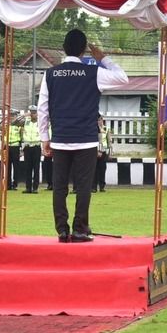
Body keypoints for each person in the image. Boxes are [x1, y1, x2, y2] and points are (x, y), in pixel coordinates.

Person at [38, 29, 128, 243]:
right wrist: (102, 58)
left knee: (59, 186)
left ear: (63, 48)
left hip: (60, 138)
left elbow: (42, 107)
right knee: (84, 186)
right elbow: (123, 78)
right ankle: (80, 229)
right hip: (86, 138)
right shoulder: (93, 72)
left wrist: (44, 137)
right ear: (83, 50)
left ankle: (61, 230)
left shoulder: (51, 74)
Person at [21, 105, 41, 194]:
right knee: (27, 168)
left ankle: (35, 188)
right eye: (31, 112)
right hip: (27, 147)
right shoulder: (26, 122)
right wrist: (24, 115)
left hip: (36, 146)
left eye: (34, 112)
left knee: (36, 168)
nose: (33, 114)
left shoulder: (41, 122)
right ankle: (28, 188)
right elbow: (14, 122)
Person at [6, 110, 23, 191]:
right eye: (10, 115)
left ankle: (15, 184)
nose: (12, 117)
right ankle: (8, 184)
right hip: (8, 146)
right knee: (8, 166)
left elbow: (22, 138)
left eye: (13, 115)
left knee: (16, 167)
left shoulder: (19, 126)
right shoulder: (6, 125)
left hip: (16, 147)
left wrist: (21, 149)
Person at [93, 114, 111, 193]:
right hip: (94, 151)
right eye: (98, 120)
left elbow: (109, 141)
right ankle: (93, 187)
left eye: (101, 120)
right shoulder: (94, 129)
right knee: (94, 170)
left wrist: (110, 152)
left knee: (102, 169)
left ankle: (102, 186)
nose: (99, 121)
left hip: (103, 151)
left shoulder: (106, 129)